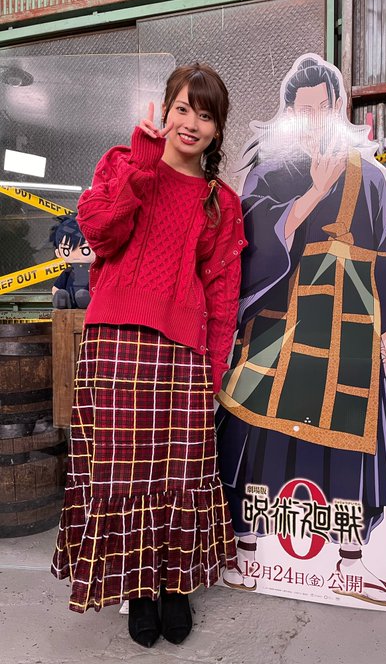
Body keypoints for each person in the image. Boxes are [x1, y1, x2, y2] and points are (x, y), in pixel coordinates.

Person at [216, 56, 386, 607]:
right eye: (302, 108)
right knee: (256, 435)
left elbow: (382, 254)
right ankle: (244, 552)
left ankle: (350, 566)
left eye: (322, 106)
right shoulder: (268, 168)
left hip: (349, 329)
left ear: (337, 107)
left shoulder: (370, 175)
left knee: (352, 444)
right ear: (289, 110)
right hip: (280, 327)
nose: (313, 117)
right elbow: (250, 246)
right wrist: (312, 193)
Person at [51, 63, 247, 647]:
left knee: (184, 469)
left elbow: (223, 292)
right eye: (182, 108)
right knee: (122, 471)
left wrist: (215, 368)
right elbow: (100, 233)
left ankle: (176, 586)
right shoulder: (122, 163)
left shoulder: (221, 201)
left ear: (217, 129)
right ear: (165, 110)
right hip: (114, 342)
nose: (191, 123)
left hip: (184, 350)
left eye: (205, 115)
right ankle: (138, 590)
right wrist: (139, 164)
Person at [50, 215, 95, 308]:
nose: (76, 255)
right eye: (66, 250)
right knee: (62, 295)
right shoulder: (68, 271)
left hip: (90, 302)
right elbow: (56, 288)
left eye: (85, 249)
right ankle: (63, 302)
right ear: (58, 252)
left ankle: (86, 301)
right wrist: (57, 294)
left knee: (83, 296)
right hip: (70, 304)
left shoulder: (96, 271)